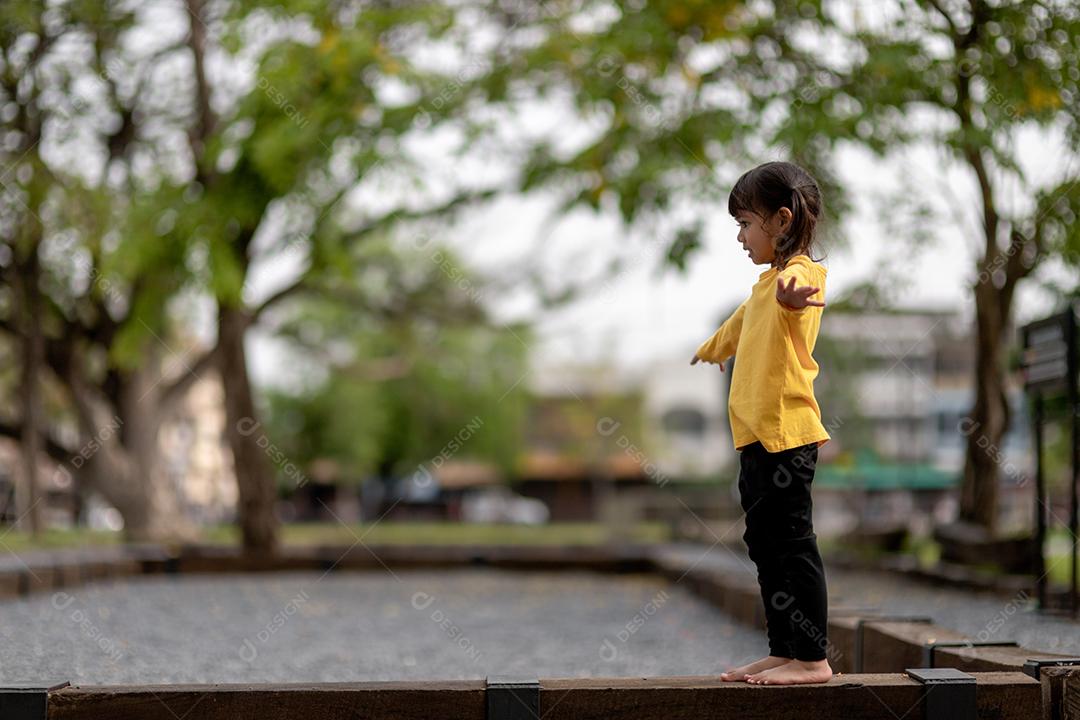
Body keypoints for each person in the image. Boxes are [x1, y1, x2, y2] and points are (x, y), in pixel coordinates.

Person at [691, 161, 834, 686]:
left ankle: (813, 660)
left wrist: (791, 299)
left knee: (793, 542)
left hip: (786, 436)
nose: (740, 237)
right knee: (763, 543)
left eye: (746, 224)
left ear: (781, 220)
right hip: (753, 438)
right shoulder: (762, 287)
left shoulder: (801, 277)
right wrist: (712, 349)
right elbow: (736, 326)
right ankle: (784, 650)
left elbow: (794, 294)